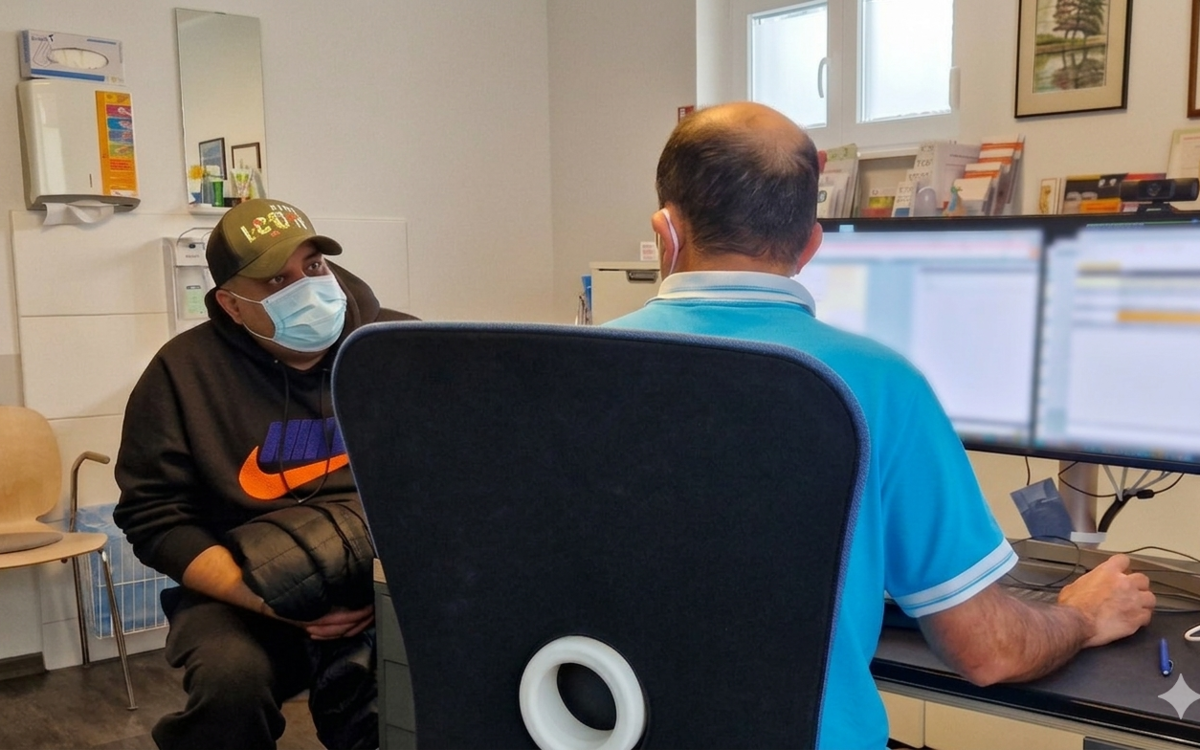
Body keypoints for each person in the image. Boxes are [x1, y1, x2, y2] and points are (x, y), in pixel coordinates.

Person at [605, 103, 1155, 749]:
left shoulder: (571, 370)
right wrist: (1080, 617)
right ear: (810, 245)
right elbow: (988, 650)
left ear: (665, 232)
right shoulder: (882, 383)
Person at [114, 198, 417, 750]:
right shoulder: (181, 374)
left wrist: (392, 587)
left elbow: (461, 480)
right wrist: (270, 600)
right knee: (229, 686)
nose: (307, 287)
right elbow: (154, 518)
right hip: (247, 590)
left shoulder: (401, 348)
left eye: (313, 266)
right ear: (231, 305)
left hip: (388, 578)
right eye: (277, 279)